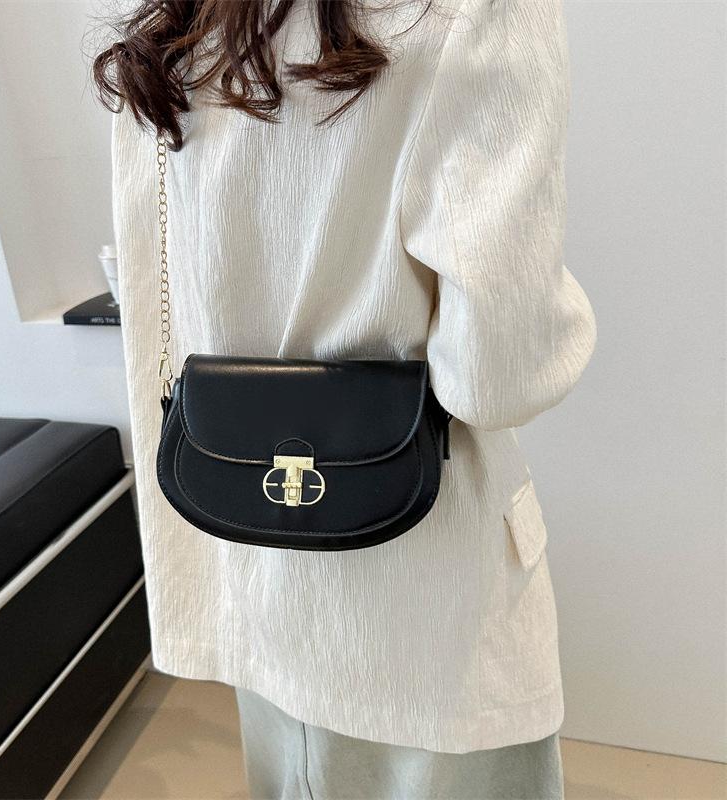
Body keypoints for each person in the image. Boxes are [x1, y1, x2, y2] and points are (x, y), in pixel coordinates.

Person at [94, 0, 597, 796]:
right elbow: (498, 375)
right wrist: (569, 321)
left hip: (255, 566)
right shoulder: (476, 13)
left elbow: (162, 305)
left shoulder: (184, 29)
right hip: (430, 608)